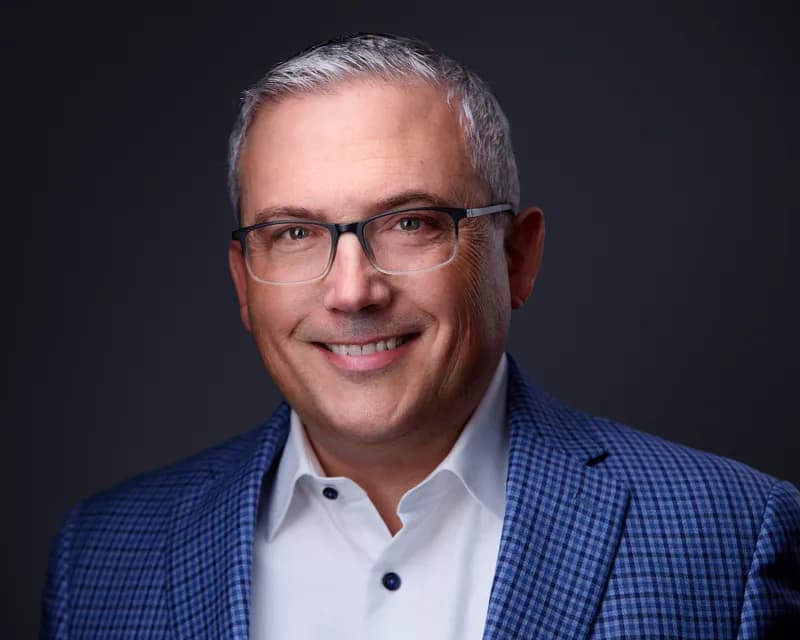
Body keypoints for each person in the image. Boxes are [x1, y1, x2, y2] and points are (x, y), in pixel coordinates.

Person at [41, 33, 799, 639]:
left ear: (517, 257)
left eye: (410, 223)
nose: (352, 291)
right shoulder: (103, 556)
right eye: (295, 232)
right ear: (244, 283)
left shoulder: (730, 538)